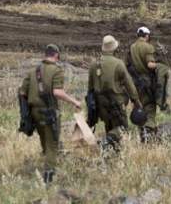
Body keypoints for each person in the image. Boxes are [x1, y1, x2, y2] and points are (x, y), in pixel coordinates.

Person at [19, 44, 81, 184]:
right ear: (56, 55)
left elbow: (22, 92)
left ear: (45, 54)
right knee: (52, 145)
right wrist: (74, 102)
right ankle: (48, 178)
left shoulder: (33, 71)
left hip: (34, 113)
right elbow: (57, 92)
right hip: (49, 113)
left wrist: (25, 113)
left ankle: (46, 164)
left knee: (45, 142)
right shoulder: (57, 70)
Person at [88, 35, 141, 153]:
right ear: (114, 48)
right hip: (116, 103)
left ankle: (111, 154)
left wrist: (91, 110)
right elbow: (129, 85)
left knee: (109, 127)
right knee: (122, 128)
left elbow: (90, 89)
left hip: (100, 105)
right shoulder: (118, 64)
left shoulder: (94, 65)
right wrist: (136, 101)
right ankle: (105, 142)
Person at [127, 27, 170, 143]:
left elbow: (127, 65)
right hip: (147, 84)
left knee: (139, 108)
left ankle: (142, 135)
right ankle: (148, 139)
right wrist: (161, 66)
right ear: (146, 35)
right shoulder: (148, 47)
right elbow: (150, 64)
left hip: (135, 84)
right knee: (150, 109)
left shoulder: (132, 47)